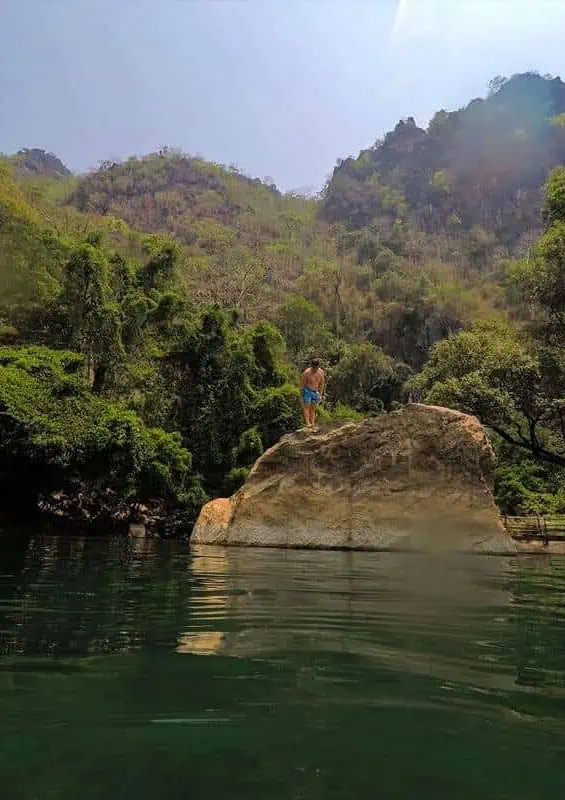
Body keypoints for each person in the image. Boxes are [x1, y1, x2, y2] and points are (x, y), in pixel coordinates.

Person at [300, 357, 325, 428]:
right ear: (312, 366)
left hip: (315, 392)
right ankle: (308, 423)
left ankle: (313, 423)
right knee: (306, 407)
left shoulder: (321, 372)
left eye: (316, 368)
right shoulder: (306, 373)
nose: (315, 369)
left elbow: (322, 383)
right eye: (314, 368)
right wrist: (301, 396)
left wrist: (320, 394)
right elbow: (302, 385)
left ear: (318, 366)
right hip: (307, 390)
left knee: (313, 408)